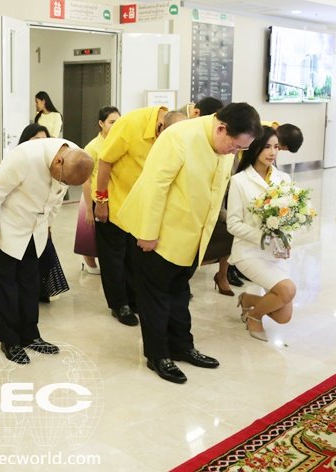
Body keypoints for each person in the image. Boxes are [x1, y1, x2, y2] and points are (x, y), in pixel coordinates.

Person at [118, 102, 261, 384]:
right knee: (155, 298)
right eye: (235, 146)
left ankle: (182, 346)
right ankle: (158, 355)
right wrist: (147, 232)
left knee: (179, 293)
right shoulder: (179, 136)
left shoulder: (223, 145)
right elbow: (155, 186)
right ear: (222, 128)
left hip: (192, 237)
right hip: (158, 235)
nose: (234, 153)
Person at [0, 138, 93, 364]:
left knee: (31, 285)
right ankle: (10, 341)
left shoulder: (75, 156)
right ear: (59, 162)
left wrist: (48, 226)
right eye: (63, 179)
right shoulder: (24, 156)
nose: (62, 183)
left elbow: (56, 201)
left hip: (36, 232)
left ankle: (30, 335)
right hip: (7, 229)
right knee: (7, 288)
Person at [93, 105, 170, 326]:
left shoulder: (171, 130)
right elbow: (105, 161)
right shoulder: (130, 125)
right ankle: (119, 304)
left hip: (139, 204)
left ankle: (133, 299)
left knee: (133, 256)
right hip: (113, 201)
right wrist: (101, 201)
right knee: (113, 258)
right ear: (160, 126)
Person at [227, 126, 298, 342]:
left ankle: (249, 300)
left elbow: (291, 217)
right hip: (248, 252)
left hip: (276, 252)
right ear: (255, 147)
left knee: (283, 316)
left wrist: (285, 241)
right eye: (267, 147)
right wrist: (264, 238)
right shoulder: (239, 180)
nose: (272, 152)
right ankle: (254, 316)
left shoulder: (284, 178)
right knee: (288, 290)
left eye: (276, 147)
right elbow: (233, 224)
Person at [16, 125, 69, 302]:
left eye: (45, 141)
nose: (41, 145)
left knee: (42, 255)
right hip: (18, 222)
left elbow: (55, 202)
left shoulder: (54, 168)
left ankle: (41, 290)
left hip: (40, 222)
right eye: (36, 140)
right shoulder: (17, 164)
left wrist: (48, 225)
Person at [75, 106, 121, 275]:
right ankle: (89, 260)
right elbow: (86, 180)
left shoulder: (119, 141)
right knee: (90, 232)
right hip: (95, 197)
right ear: (101, 123)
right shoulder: (92, 147)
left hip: (115, 196)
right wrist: (89, 208)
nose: (115, 126)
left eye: (118, 122)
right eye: (111, 122)